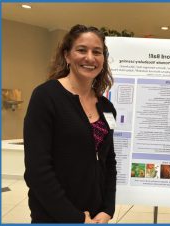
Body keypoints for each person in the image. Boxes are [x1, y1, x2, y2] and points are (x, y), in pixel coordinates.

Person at [23, 24, 117, 223]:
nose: (90, 58)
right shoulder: (46, 96)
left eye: (97, 52)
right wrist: (74, 218)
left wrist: (108, 208)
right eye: (82, 50)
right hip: (54, 215)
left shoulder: (107, 107)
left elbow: (109, 162)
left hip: (96, 216)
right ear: (67, 56)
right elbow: (37, 170)